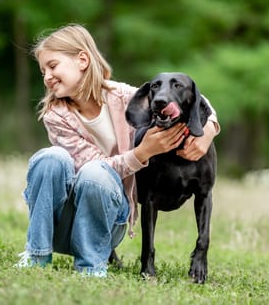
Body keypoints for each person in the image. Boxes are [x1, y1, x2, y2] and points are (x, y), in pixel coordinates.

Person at [15, 23, 220, 277]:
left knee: (95, 174)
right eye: (42, 70)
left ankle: (90, 265)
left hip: (106, 223)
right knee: (52, 158)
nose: (46, 76)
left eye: (53, 66)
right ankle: (37, 254)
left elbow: (188, 95)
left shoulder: (122, 96)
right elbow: (99, 165)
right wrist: (142, 153)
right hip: (62, 224)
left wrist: (209, 129)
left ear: (82, 60)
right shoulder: (55, 117)